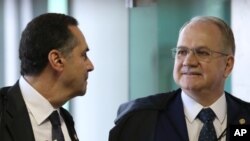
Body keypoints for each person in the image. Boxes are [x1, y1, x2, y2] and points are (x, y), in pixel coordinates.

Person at [109, 16, 250, 141]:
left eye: (202, 53)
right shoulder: (140, 119)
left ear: (227, 65)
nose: (188, 62)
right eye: (182, 52)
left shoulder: (245, 117)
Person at [0, 13, 94, 141]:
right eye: (83, 55)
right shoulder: (3, 115)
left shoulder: (66, 119)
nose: (90, 66)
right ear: (57, 60)